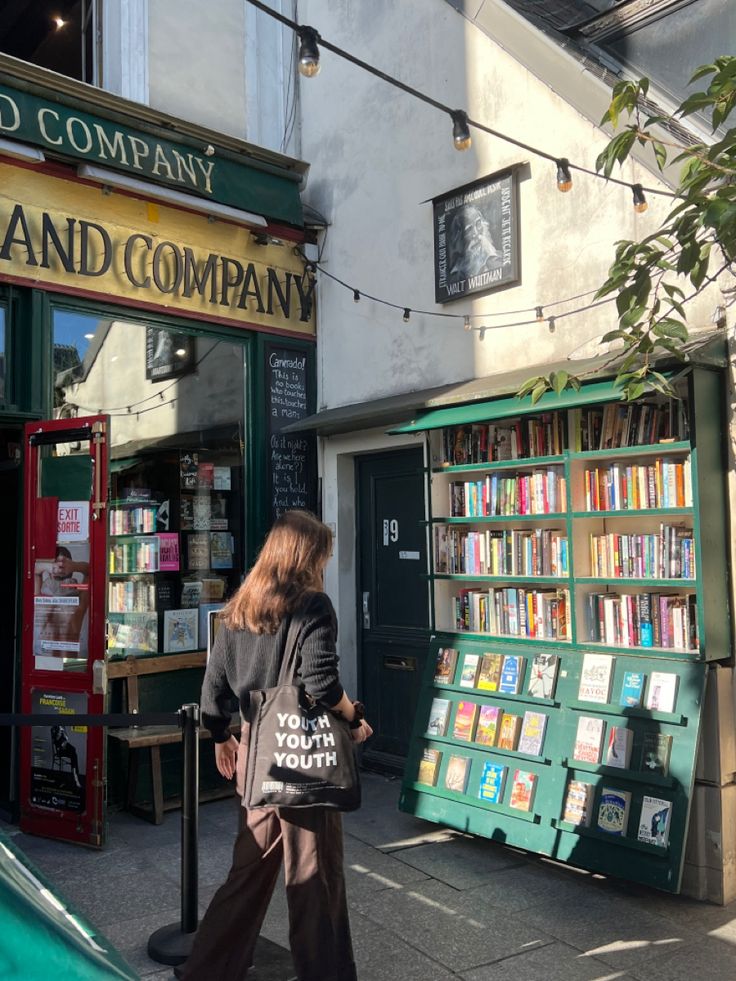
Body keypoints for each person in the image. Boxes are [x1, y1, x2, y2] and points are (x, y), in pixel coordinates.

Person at [177, 510, 372, 981]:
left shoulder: (240, 606)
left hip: (254, 757)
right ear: (307, 556)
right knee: (314, 876)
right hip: (301, 760)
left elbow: (213, 687)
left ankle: (208, 969)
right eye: (322, 553)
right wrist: (354, 717)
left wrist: (222, 736)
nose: (325, 562)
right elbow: (321, 681)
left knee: (248, 872)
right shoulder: (313, 605)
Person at [448, 203, 502, 282]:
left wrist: (491, 257)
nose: (476, 233)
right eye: (469, 229)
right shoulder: (454, 276)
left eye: (478, 223)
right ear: (459, 238)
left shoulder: (499, 258)